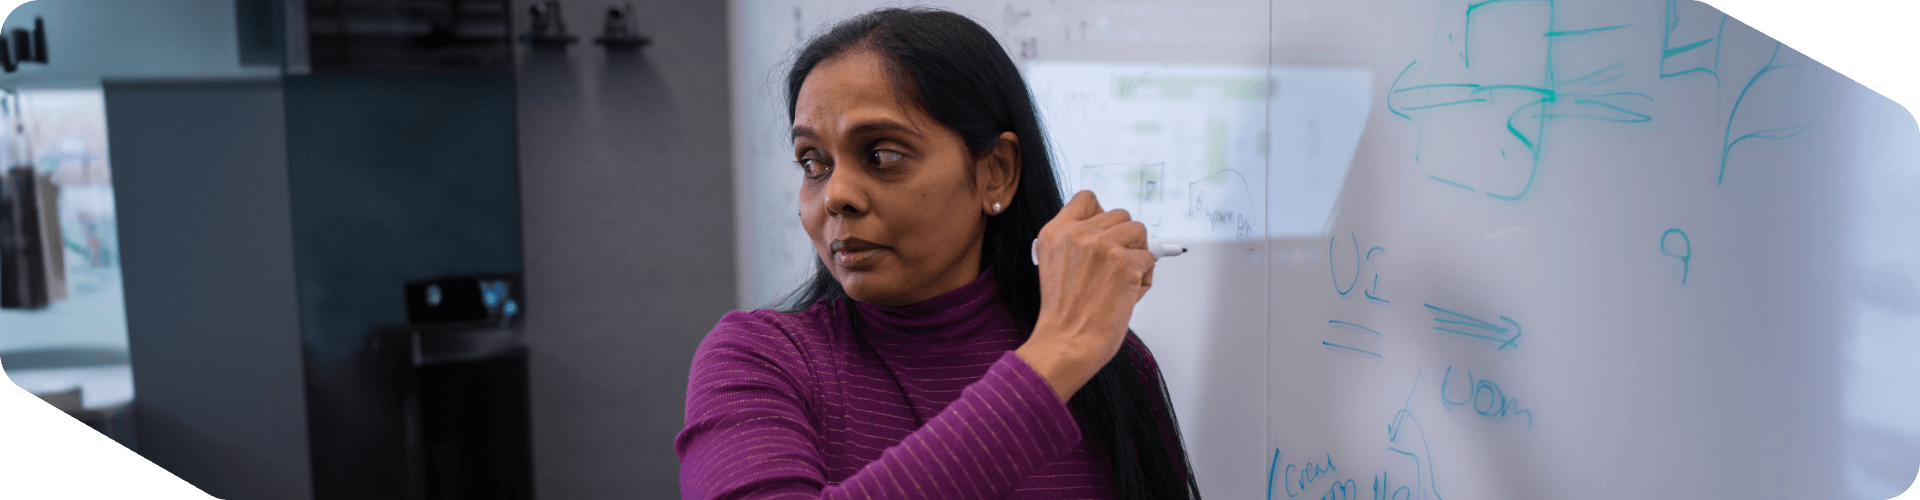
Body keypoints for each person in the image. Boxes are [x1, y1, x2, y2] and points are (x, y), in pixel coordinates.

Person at [676, 7, 1201, 499]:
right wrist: (1058, 353)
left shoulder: (1110, 364)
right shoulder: (759, 360)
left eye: (881, 154)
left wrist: (1068, 349)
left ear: (995, 172)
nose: (836, 194)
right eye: (813, 162)